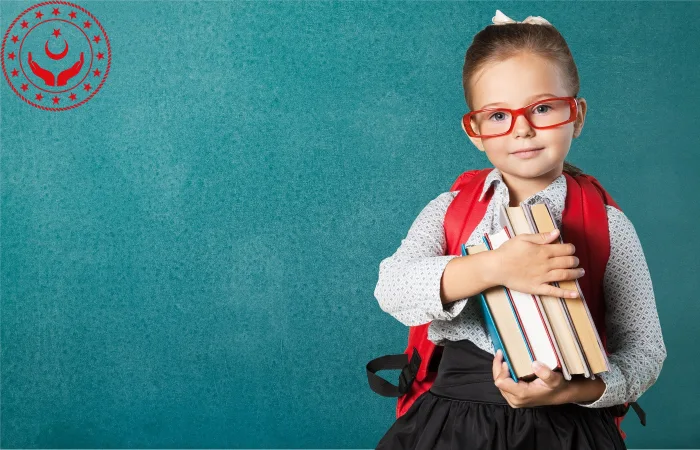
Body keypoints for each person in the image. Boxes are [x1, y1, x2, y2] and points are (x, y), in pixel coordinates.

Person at [372, 9, 667, 450]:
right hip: (450, 422)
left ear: (577, 115)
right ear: (475, 130)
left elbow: (646, 351)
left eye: (543, 108)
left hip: (567, 426)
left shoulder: (608, 225)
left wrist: (573, 391)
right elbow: (391, 289)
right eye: (497, 116)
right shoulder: (451, 209)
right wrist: (497, 267)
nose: (523, 129)